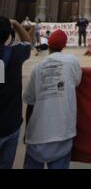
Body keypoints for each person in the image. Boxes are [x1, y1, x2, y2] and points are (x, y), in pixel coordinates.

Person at [23, 29, 82, 169]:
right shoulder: (72, 61)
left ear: (48, 45)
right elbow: (77, 81)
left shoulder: (37, 68)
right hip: (62, 133)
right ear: (64, 46)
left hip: (37, 135)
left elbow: (30, 102)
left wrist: (27, 131)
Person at [0, 17, 31, 169]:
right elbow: (28, 43)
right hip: (10, 124)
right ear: (9, 35)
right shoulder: (15, 54)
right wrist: (17, 24)